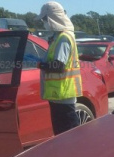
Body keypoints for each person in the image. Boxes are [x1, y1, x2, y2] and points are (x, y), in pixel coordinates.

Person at [36, 2, 82, 135]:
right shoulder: (58, 37)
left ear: (52, 19)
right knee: (63, 134)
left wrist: (41, 65)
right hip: (58, 95)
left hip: (63, 94)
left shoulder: (63, 38)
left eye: (45, 19)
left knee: (68, 135)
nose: (44, 23)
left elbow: (58, 66)